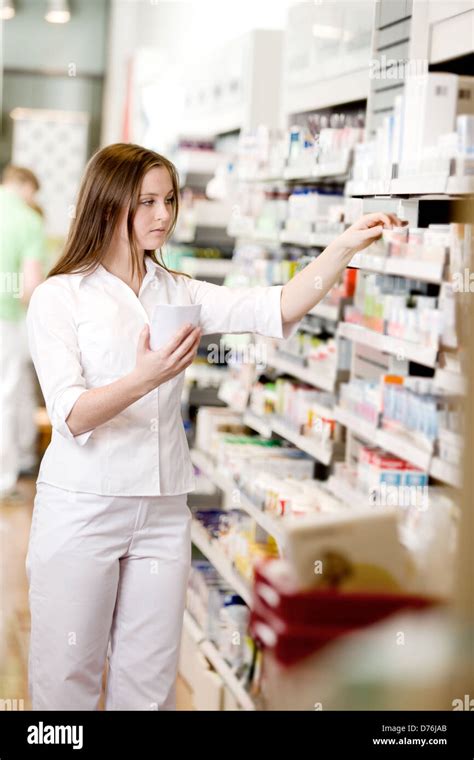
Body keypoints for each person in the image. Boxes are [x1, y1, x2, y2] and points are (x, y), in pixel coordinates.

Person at [25, 142, 406, 710]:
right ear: (108, 206)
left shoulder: (180, 290)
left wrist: (344, 245)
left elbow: (276, 306)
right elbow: (71, 412)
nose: (163, 215)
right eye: (147, 201)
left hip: (160, 509)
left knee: (149, 685)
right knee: (65, 679)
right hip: (83, 507)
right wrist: (146, 376)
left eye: (169, 200)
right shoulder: (60, 297)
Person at [0, 166, 45, 501]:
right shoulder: (28, 220)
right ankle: (3, 480)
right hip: (8, 320)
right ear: (26, 186)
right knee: (6, 397)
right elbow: (31, 285)